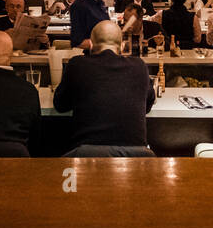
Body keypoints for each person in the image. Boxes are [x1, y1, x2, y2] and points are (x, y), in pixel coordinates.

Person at [52, 20, 155, 156]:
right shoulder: (140, 66)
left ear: (90, 44)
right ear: (122, 46)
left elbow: (60, 105)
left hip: (85, 158)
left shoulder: (77, 64)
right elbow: (147, 106)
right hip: (135, 160)